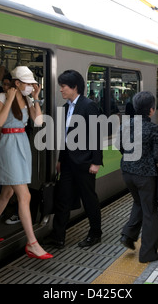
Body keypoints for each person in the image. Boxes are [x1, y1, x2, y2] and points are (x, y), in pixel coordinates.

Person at [0, 66, 53, 260]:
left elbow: (38, 122)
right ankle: (32, 243)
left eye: (32, 84)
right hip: (8, 146)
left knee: (7, 193)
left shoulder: (29, 99)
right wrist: (10, 98)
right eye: (28, 83)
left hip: (21, 145)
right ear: (17, 83)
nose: (31, 86)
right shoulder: (1, 98)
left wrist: (36, 98)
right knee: (25, 195)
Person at [45, 70, 103, 249]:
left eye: (63, 86)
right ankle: (58, 237)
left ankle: (95, 233)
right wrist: (61, 159)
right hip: (68, 162)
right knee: (63, 198)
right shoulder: (64, 108)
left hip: (85, 162)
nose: (61, 90)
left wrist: (96, 161)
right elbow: (65, 137)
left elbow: (96, 135)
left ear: (74, 87)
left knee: (88, 199)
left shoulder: (89, 106)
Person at [117, 91, 158, 263]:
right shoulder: (153, 129)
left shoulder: (125, 125)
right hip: (145, 176)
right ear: (151, 110)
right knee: (150, 211)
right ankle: (148, 253)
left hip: (127, 173)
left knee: (139, 203)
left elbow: (119, 147)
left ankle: (128, 235)